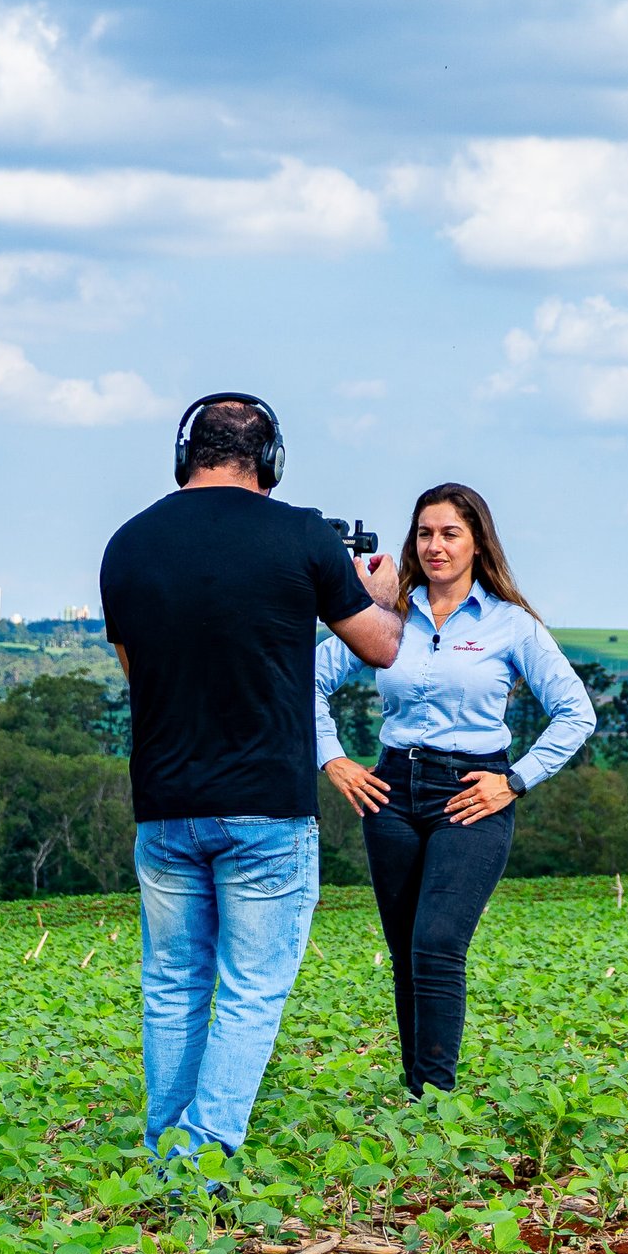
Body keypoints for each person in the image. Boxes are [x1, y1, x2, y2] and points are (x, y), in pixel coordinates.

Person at [100, 393, 403, 1176]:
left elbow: (139, 670)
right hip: (265, 804)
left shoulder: (127, 544)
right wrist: (378, 592)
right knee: (250, 989)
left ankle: (166, 1145)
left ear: (184, 454)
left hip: (165, 804)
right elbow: (381, 649)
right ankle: (199, 1158)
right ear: (268, 461)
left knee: (171, 985)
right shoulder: (300, 533)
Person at [315, 482, 595, 1098]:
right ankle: (416, 1095)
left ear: (477, 543)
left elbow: (576, 712)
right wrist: (334, 760)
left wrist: (516, 779)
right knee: (407, 952)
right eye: (424, 533)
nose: (435, 546)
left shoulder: (510, 625)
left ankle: (434, 1100)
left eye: (450, 533)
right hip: (389, 792)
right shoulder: (388, 618)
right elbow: (304, 682)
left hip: (472, 792)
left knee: (438, 941)